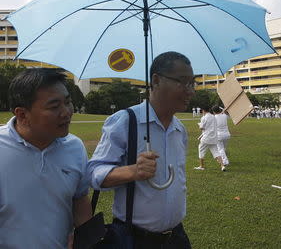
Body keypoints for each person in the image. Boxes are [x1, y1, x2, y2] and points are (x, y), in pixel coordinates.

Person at [88, 52, 194, 248]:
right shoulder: (126, 121)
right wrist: (132, 171)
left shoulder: (180, 130)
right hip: (135, 239)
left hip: (177, 238)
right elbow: (94, 174)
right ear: (156, 80)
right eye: (183, 82)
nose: (190, 91)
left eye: (192, 83)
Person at [0, 68, 92, 249]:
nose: (66, 112)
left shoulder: (75, 147)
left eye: (68, 102)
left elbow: (79, 199)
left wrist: (84, 237)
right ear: (22, 115)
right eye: (54, 106)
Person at [194, 106, 226, 171]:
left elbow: (201, 128)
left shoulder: (204, 118)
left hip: (206, 137)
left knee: (201, 150)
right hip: (214, 137)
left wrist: (199, 125)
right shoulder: (213, 117)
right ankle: (222, 166)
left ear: (203, 110)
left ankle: (201, 166)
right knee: (216, 152)